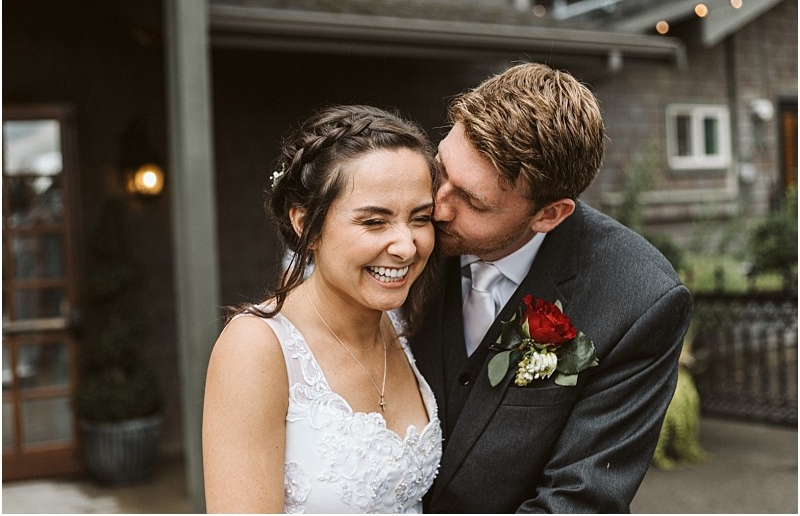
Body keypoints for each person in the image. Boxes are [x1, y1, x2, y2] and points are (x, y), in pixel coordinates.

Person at [410, 62, 693, 513]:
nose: (437, 208)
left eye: (473, 202)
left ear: (550, 215)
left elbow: (579, 501)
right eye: (441, 169)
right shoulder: (400, 232)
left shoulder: (638, 300)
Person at [203, 105, 443, 513]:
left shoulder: (403, 323)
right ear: (305, 223)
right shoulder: (256, 349)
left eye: (420, 218)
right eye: (374, 222)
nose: (406, 246)